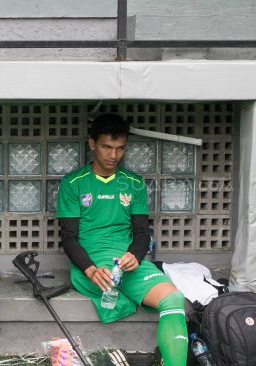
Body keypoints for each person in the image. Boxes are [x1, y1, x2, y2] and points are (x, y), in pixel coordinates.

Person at [56, 114, 188, 366]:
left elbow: (141, 233)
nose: (113, 155)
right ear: (92, 143)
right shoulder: (73, 183)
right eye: (107, 147)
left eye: (119, 148)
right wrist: (89, 269)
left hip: (126, 261)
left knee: (173, 299)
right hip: (93, 263)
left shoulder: (133, 183)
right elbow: (69, 238)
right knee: (113, 285)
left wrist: (135, 256)